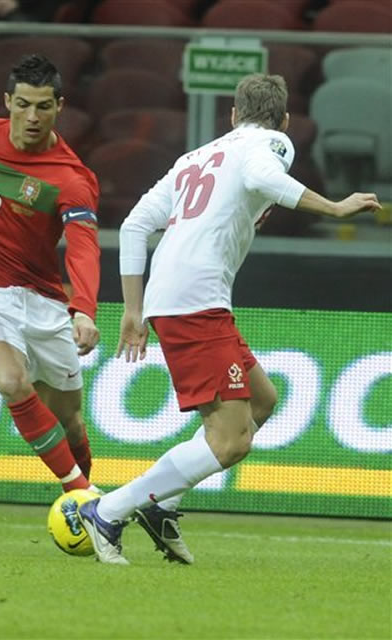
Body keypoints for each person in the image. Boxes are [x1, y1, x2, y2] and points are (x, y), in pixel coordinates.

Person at [77, 73, 382, 565]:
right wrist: (333, 207)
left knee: (263, 399)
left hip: (176, 297)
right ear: (282, 120)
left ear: (233, 115)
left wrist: (133, 309)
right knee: (232, 441)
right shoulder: (272, 142)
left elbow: (134, 224)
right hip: (195, 301)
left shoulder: (195, 157)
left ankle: (163, 505)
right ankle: (109, 510)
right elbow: (263, 177)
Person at [0, 54, 101, 495]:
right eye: (24, 105)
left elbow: (84, 246)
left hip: (44, 302)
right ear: (7, 101)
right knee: (12, 382)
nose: (32, 117)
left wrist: (83, 309)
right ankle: (82, 498)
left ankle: (92, 502)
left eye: (44, 107)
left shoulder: (72, 178)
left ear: (60, 107)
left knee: (70, 422)